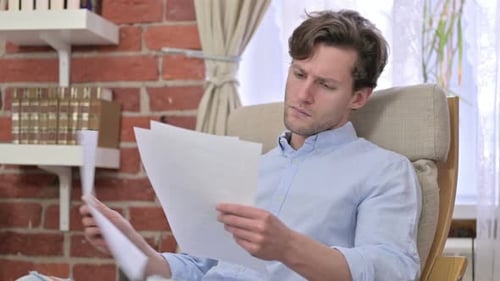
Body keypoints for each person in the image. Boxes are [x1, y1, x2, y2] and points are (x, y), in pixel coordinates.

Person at [27, 9, 422, 281]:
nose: (303, 94)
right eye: (299, 73)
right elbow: (200, 267)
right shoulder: (251, 168)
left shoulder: (384, 171)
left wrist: (287, 247)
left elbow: (393, 269)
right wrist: (134, 247)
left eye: (326, 84)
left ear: (358, 97)